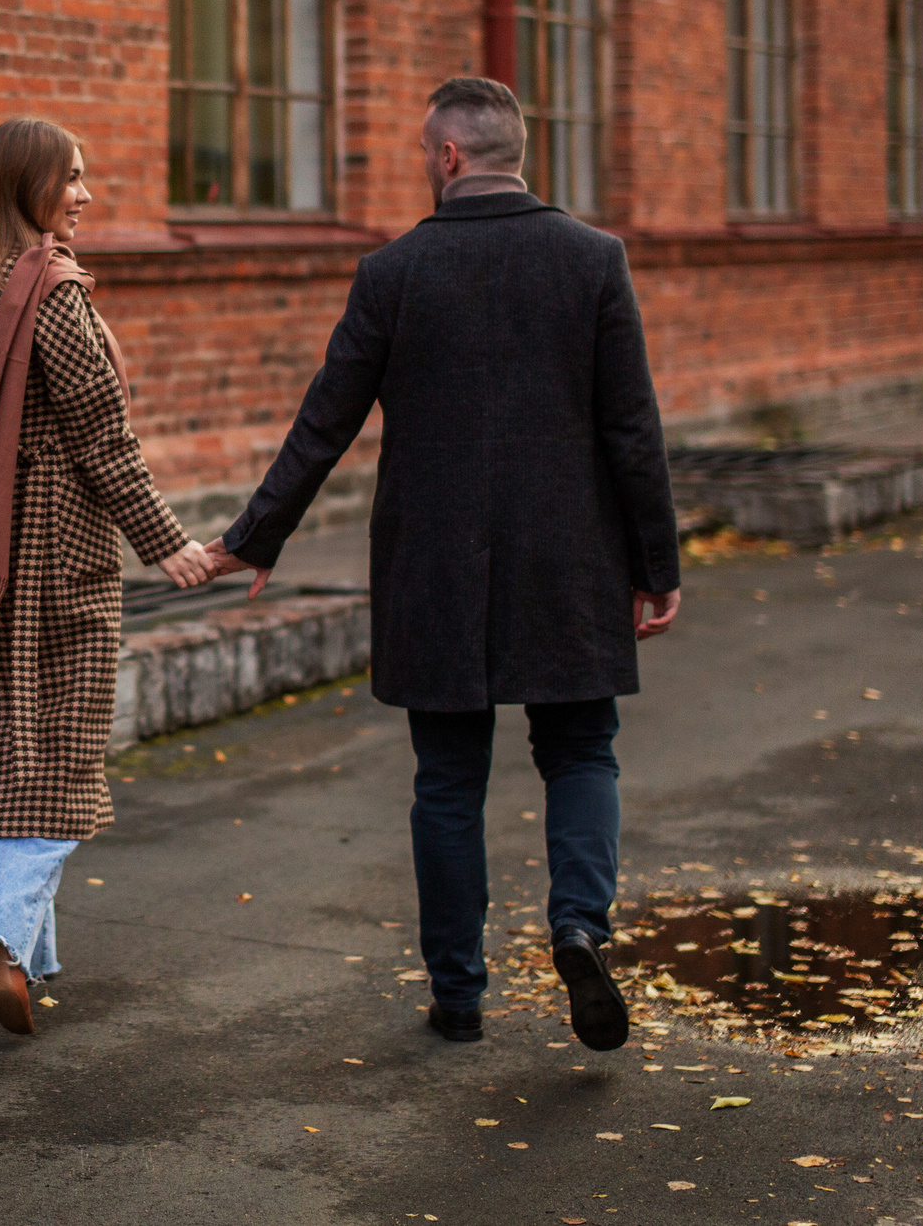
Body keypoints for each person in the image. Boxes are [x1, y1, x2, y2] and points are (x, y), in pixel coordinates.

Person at [200, 77, 681, 1052]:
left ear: (449, 156)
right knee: (581, 752)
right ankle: (579, 926)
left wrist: (254, 536)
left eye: (427, 150)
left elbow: (324, 418)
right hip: (568, 558)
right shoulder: (593, 261)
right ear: (514, 151)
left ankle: (458, 996)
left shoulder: (394, 271)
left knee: (447, 782)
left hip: (435, 567)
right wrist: (653, 561)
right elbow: (632, 427)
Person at [0, 116, 214, 1037]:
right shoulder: (52, 294)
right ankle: (5, 937)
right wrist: (167, 541)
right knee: (61, 758)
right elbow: (104, 438)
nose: (86, 193)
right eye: (70, 176)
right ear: (24, 184)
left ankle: (27, 947)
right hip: (50, 555)